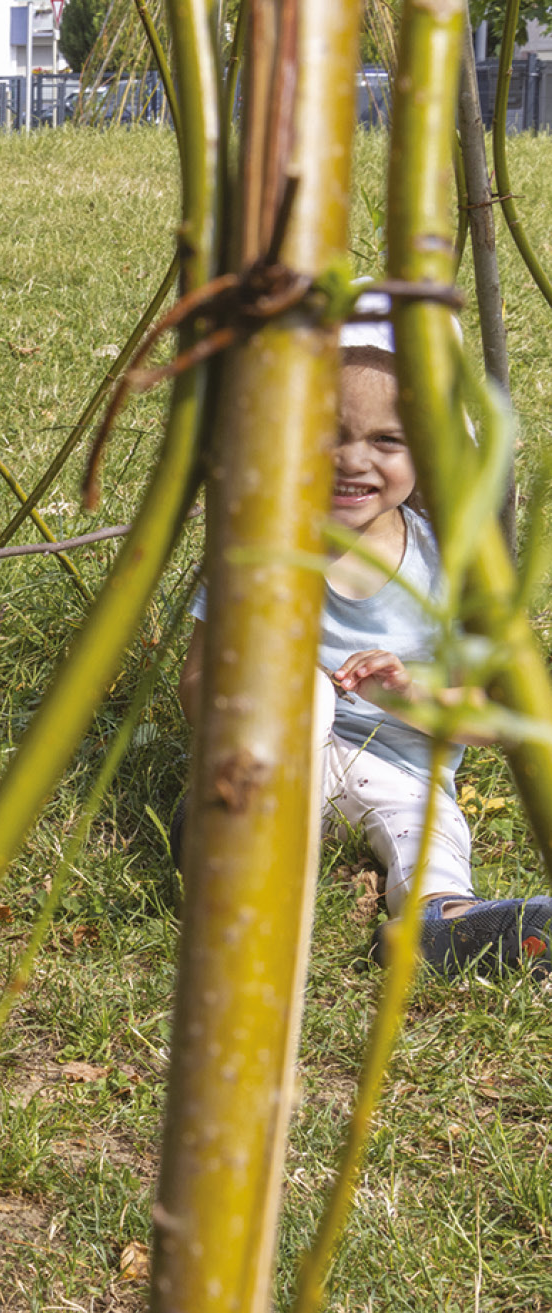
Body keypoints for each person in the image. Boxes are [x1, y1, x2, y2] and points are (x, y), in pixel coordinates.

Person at [178, 290, 551, 976]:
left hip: (405, 772)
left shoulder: (448, 562)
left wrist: (409, 696)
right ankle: (225, 845)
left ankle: (441, 925)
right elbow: (194, 684)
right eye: (330, 433)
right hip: (282, 759)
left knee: (433, 835)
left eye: (387, 440)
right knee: (289, 736)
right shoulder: (259, 551)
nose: (353, 460)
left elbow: (489, 718)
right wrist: (264, 691)